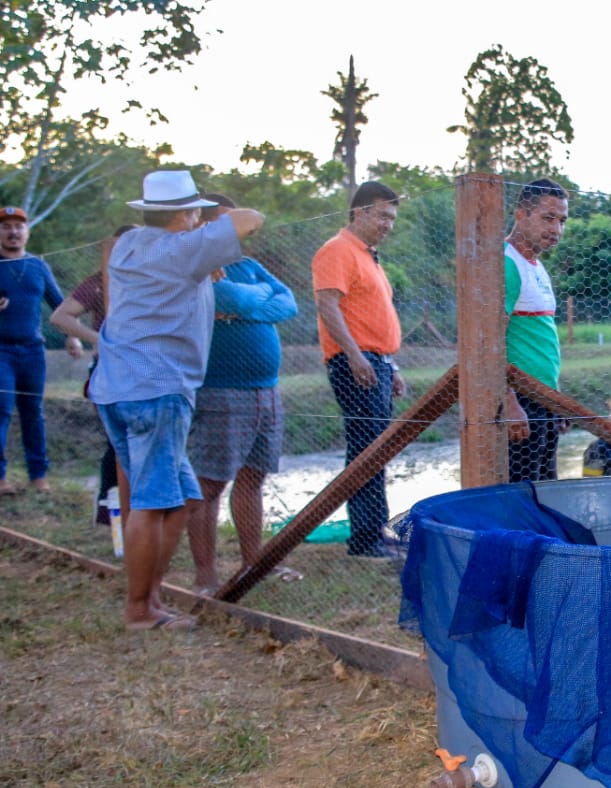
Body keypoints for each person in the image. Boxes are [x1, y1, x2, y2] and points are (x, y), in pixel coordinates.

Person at [89, 170, 264, 631]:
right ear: (187, 213)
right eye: (196, 211)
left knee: (182, 498)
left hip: (116, 387)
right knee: (151, 502)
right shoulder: (185, 247)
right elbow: (250, 218)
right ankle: (140, 610)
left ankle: (150, 598)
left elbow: (177, 266)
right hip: (158, 390)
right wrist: (212, 230)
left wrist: (204, 255)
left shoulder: (129, 246)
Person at [186, 194, 298, 595]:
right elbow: (233, 298)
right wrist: (248, 301)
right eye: (218, 225)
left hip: (265, 392)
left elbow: (289, 303)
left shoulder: (248, 266)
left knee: (253, 478)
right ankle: (205, 576)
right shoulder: (193, 269)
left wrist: (246, 307)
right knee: (209, 484)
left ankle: (255, 563)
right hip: (220, 392)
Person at [312, 180, 407, 559]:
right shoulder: (337, 250)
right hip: (356, 364)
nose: (388, 224)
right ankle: (364, 539)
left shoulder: (368, 256)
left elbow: (371, 315)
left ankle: (376, 530)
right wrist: (355, 356)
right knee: (366, 449)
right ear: (360, 212)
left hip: (377, 363)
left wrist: (390, 364)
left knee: (377, 449)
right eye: (382, 215)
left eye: (392, 218)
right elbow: (328, 305)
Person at [49, 224, 137, 521]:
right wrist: (99, 340)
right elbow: (60, 316)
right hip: (110, 369)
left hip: (146, 368)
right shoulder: (99, 282)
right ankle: (109, 512)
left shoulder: (154, 280)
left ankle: (141, 512)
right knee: (117, 441)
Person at [503, 178, 569, 482]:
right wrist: (509, 401)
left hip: (544, 400)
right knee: (523, 494)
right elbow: (489, 343)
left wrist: (557, 401)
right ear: (521, 214)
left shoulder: (537, 268)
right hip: (522, 403)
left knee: (546, 489)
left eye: (561, 221)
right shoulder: (506, 264)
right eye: (548, 218)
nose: (556, 229)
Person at [0, 205, 66, 497]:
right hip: (1, 351)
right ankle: (0, 478)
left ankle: (38, 476)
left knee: (33, 412)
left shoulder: (39, 266)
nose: (13, 232)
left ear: (26, 232)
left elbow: (60, 305)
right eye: (6, 226)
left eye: (18, 226)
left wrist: (73, 338)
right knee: (1, 411)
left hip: (32, 351)